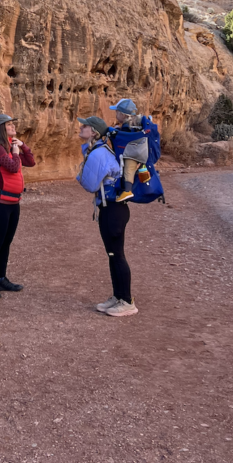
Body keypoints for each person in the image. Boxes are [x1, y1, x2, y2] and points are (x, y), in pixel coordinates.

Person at [76, 115, 138, 317]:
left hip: (112, 210)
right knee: (113, 254)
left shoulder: (98, 154)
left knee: (117, 255)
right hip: (114, 209)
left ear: (93, 131)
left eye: (84, 126)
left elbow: (90, 184)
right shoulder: (100, 150)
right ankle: (118, 296)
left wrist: (79, 175)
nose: (81, 127)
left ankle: (127, 301)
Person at [0, 113, 35, 300]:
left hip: (12, 202)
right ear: (1, 128)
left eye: (13, 123)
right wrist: (15, 152)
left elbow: (31, 162)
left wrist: (22, 146)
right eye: (9, 124)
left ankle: (1, 279)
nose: (13, 126)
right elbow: (13, 166)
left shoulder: (9, 146)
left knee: (6, 242)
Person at [108, 98, 151, 203]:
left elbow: (126, 137)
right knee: (136, 168)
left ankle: (128, 190)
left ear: (123, 115)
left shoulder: (127, 125)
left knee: (128, 169)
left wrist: (117, 132)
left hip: (133, 152)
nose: (116, 115)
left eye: (117, 112)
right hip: (141, 152)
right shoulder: (136, 122)